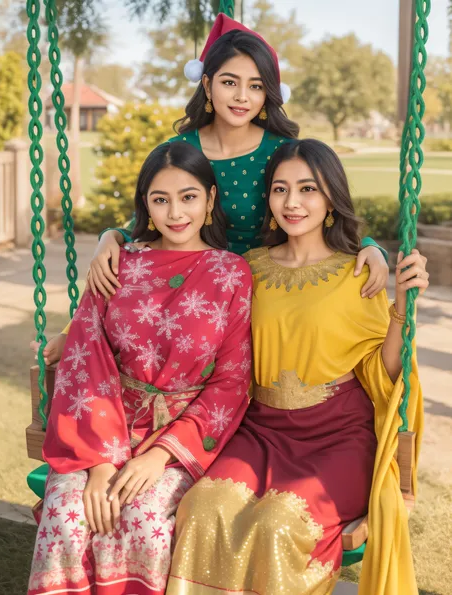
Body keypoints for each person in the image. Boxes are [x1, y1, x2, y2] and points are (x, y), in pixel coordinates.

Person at [33, 14, 388, 365]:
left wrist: (368, 246)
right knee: (123, 263)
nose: (242, 97)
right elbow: (156, 212)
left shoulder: (281, 151)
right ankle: (79, 330)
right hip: (192, 286)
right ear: (207, 85)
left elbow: (321, 205)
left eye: (256, 86)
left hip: (264, 290)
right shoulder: (182, 148)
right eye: (230, 82)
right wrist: (112, 236)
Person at [165, 139, 426, 595]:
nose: (292, 202)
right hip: (260, 430)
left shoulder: (359, 273)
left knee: (278, 523)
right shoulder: (247, 268)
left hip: (337, 438)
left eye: (307, 189)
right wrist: (115, 241)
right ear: (267, 199)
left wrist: (400, 308)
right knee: (201, 508)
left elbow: (383, 374)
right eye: (280, 189)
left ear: (330, 200)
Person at [27, 142, 253, 595]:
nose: (175, 212)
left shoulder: (231, 274)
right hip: (101, 430)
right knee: (68, 515)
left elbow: (231, 382)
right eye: (160, 199)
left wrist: (161, 453)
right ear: (145, 205)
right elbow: (84, 360)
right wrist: (98, 465)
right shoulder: (117, 265)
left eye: (188, 197)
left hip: (178, 437)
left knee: (145, 520)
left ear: (210, 200)